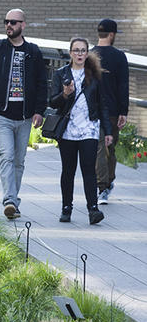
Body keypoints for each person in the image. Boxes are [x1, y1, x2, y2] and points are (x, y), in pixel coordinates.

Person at [0, 8, 47, 219]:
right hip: (2, 115)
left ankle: (13, 202)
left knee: (19, 161)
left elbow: (42, 83)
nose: (9, 25)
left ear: (23, 25)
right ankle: (9, 200)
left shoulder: (33, 52)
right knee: (7, 156)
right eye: (6, 21)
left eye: (14, 22)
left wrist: (39, 111)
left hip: (25, 117)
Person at [49, 38, 112, 224]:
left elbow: (103, 105)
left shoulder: (94, 75)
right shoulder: (61, 74)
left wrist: (107, 131)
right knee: (68, 170)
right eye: (76, 50)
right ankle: (66, 208)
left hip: (89, 129)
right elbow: (52, 102)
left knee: (88, 170)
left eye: (83, 51)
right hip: (67, 130)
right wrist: (65, 94)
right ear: (70, 53)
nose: (79, 54)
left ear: (87, 53)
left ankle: (93, 209)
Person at [92, 18, 129, 204]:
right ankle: (104, 186)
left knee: (101, 148)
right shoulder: (119, 56)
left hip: (92, 110)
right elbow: (123, 85)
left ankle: (105, 184)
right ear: (112, 34)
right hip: (113, 111)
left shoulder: (89, 54)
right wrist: (124, 111)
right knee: (107, 148)